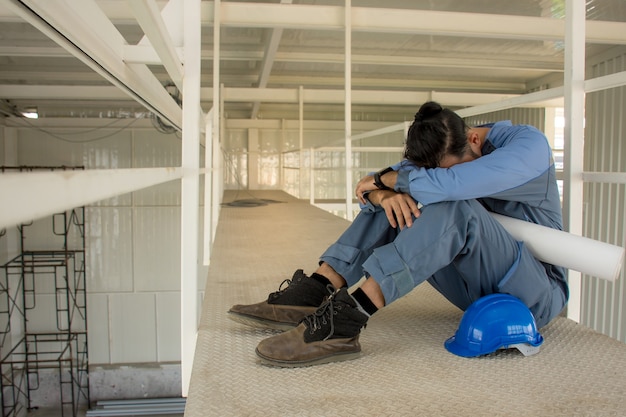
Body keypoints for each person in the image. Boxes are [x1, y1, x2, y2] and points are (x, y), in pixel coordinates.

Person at [228, 101, 569, 367]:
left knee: (451, 206)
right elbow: (372, 186)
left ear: (476, 140)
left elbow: (450, 185)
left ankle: (348, 319)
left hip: (535, 292)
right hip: (475, 285)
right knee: (399, 202)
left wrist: (385, 182)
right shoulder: (450, 151)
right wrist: (384, 193)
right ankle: (318, 287)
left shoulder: (529, 147)